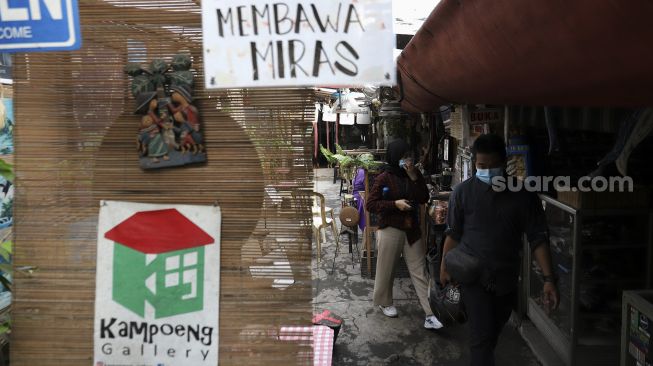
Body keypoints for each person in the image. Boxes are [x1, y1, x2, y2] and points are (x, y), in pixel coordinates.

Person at [440, 134, 559, 366]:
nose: (487, 171)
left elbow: (538, 238)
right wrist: (444, 267)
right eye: (481, 166)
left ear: (504, 163)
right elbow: (453, 234)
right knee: (481, 341)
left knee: (491, 334)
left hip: (506, 281)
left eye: (493, 166)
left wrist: (548, 278)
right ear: (475, 163)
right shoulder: (462, 193)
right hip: (473, 279)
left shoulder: (523, 195)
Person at [366, 139, 443, 330]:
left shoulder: (412, 173)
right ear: (394, 157)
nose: (406, 160)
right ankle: (385, 302)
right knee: (386, 269)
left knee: (420, 271)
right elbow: (371, 204)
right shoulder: (384, 176)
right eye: (402, 156)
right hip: (390, 227)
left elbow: (423, 197)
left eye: (408, 156)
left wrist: (414, 176)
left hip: (411, 228)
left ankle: (431, 313)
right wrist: (395, 204)